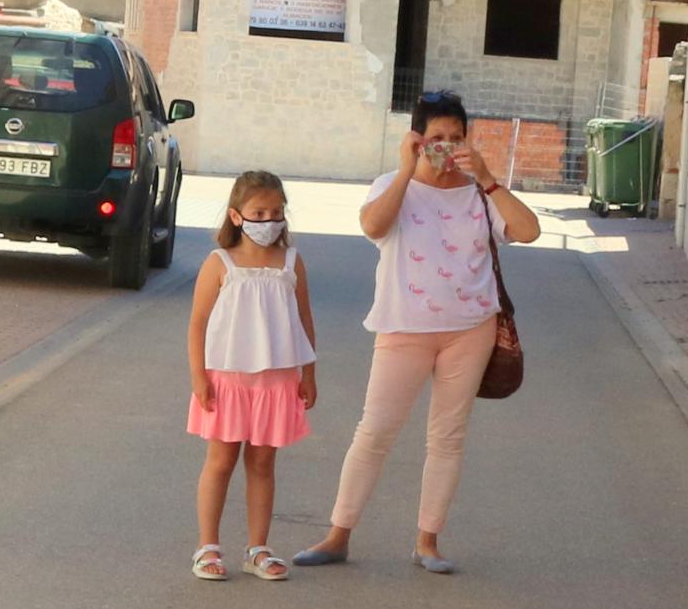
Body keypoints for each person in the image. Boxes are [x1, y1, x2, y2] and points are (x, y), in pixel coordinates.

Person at [289, 92, 536, 577]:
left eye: (456, 138)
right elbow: (371, 225)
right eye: (437, 139)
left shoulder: (478, 194)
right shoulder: (391, 185)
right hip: (404, 328)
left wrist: (486, 178)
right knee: (375, 430)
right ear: (418, 140)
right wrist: (406, 171)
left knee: (447, 436)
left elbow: (527, 231)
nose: (447, 147)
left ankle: (429, 541)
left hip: (471, 330)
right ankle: (338, 534)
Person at [185, 170, 318, 580]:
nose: (269, 220)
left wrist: (308, 373)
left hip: (276, 380)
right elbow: (198, 323)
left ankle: (258, 547)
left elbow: (304, 319)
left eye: (276, 211)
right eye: (259, 212)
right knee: (221, 460)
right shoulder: (219, 263)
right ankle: (208, 547)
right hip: (227, 378)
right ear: (237, 216)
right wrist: (199, 377)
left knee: (262, 463)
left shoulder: (291, 263)